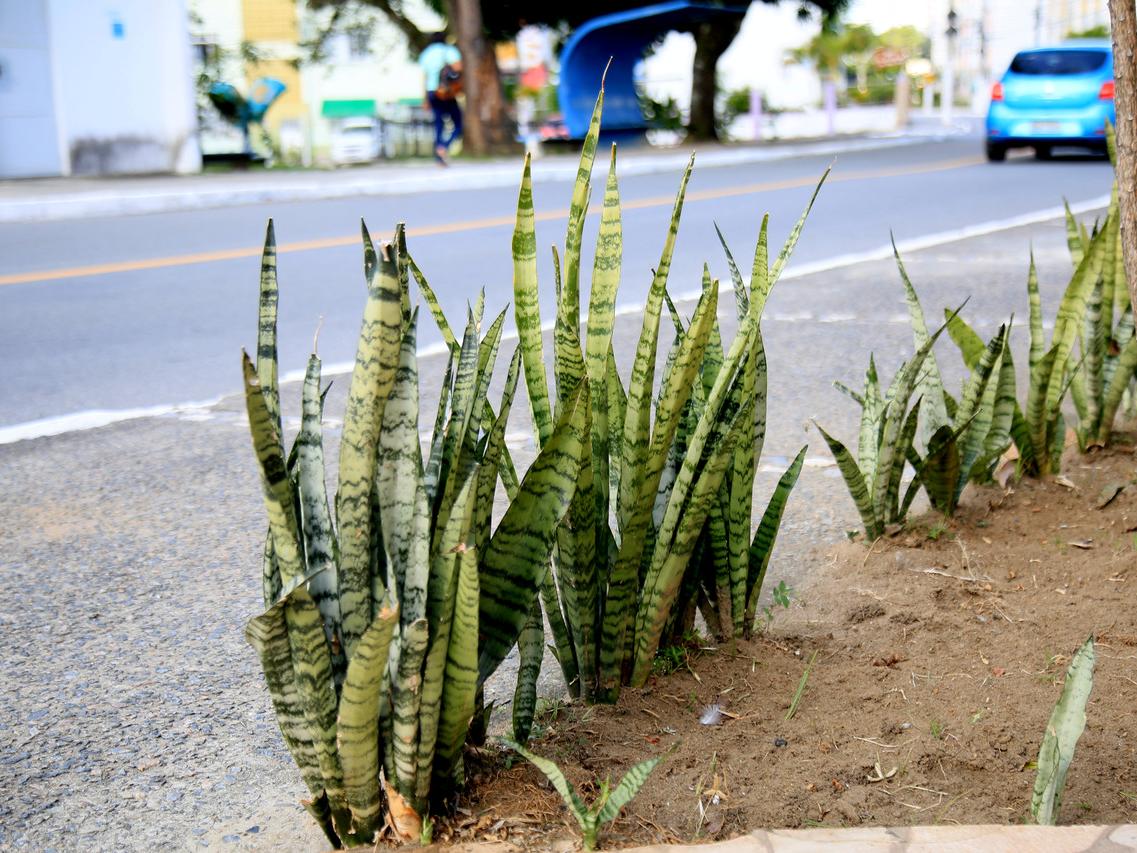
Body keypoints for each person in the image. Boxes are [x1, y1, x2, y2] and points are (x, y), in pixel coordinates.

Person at [418, 33, 462, 165]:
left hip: (431, 92)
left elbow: (424, 78)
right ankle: (444, 147)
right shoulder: (449, 51)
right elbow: (458, 68)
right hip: (446, 92)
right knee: (459, 123)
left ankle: (438, 157)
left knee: (438, 124)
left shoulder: (426, 54)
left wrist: (425, 99)